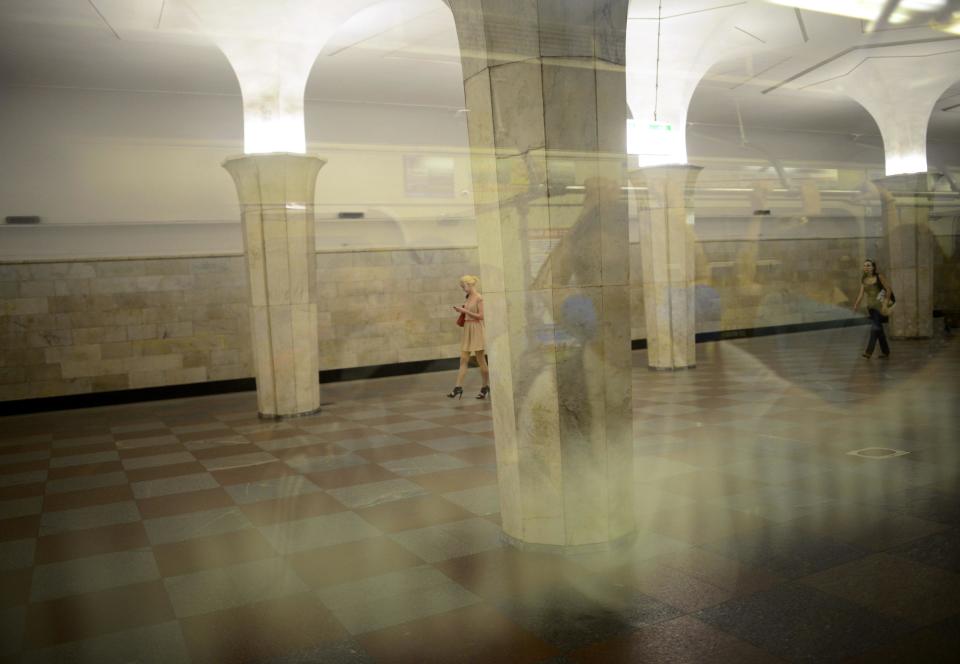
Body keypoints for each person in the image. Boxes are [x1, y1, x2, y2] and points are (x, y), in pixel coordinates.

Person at [448, 275, 490, 399]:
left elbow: (481, 316)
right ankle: (458, 387)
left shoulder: (479, 298)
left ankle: (485, 386)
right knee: (463, 359)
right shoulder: (468, 297)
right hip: (468, 328)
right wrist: (462, 311)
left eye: (463, 286)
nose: (463, 289)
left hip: (476, 328)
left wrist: (464, 311)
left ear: (470, 284)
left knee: (480, 360)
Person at [852, 259, 893, 359]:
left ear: (873, 267)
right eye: (865, 265)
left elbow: (888, 290)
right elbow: (861, 294)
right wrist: (856, 304)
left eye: (868, 265)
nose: (866, 267)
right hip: (871, 307)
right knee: (878, 329)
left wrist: (885, 304)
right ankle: (886, 351)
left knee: (875, 328)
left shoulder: (879, 276)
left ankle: (868, 352)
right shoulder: (864, 279)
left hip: (879, 306)